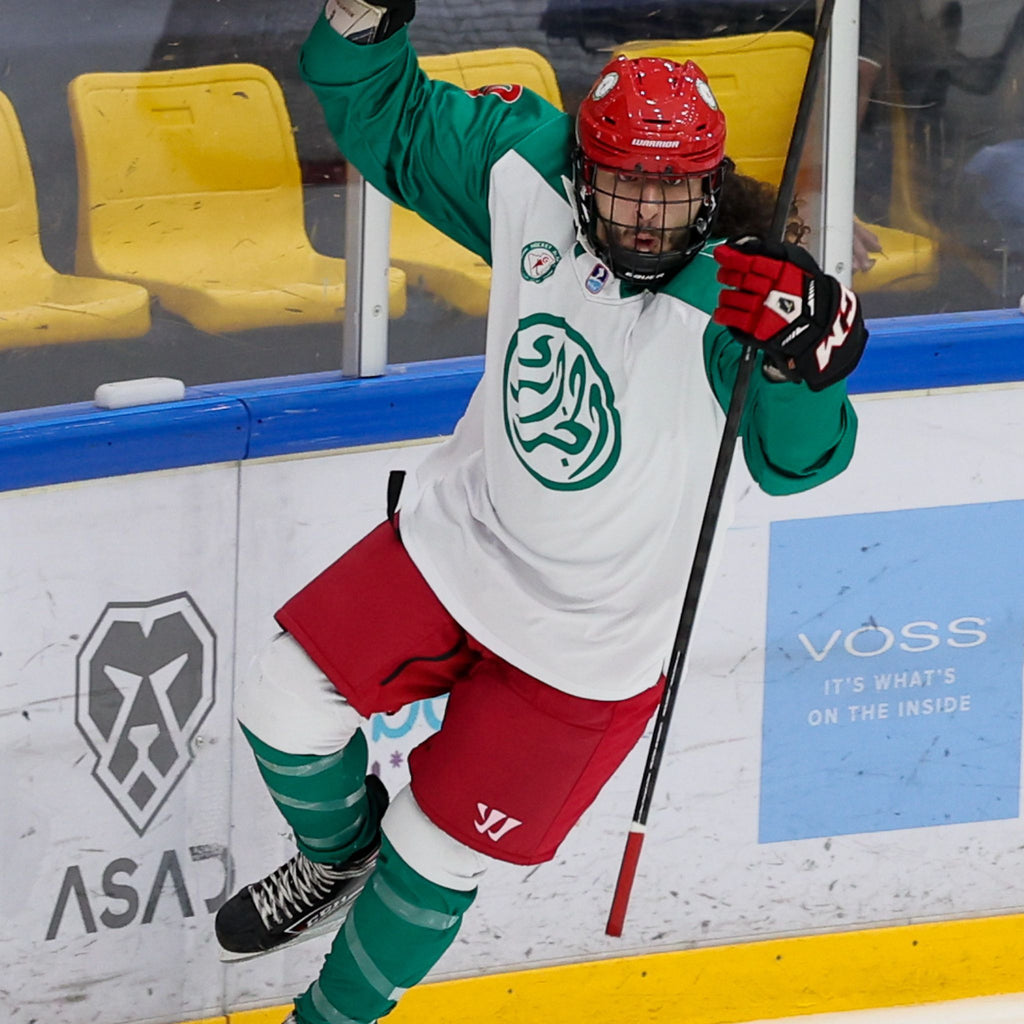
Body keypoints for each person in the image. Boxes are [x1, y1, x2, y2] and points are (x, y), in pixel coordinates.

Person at [214, 2, 867, 1023]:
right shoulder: (527, 170)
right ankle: (336, 857)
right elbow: (388, 119)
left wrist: (809, 367)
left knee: (433, 855)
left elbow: (795, 464)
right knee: (280, 702)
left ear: (707, 186)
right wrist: (357, 27)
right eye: (623, 187)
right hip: (459, 543)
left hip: (589, 644)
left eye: (673, 192)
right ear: (581, 171)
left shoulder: (742, 297)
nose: (648, 214)